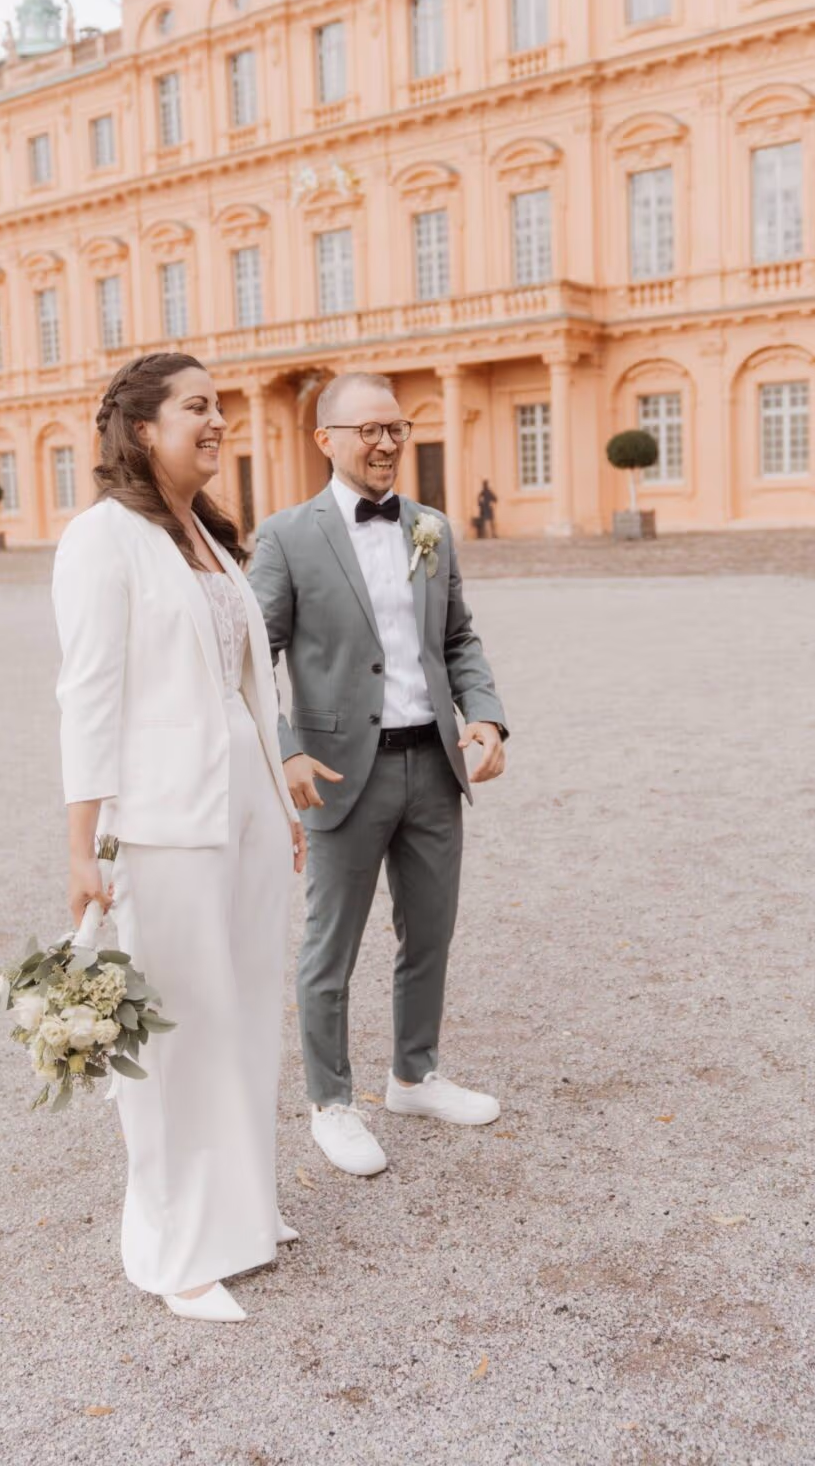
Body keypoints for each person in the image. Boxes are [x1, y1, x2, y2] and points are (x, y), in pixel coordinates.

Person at [52, 352, 306, 1323]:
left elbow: (251, 684)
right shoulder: (100, 539)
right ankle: (171, 1247)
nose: (217, 421)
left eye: (221, 406)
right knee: (171, 1034)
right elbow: (87, 698)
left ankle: (242, 1214)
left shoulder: (206, 534)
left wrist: (278, 806)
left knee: (241, 1013)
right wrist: (82, 846)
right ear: (141, 426)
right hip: (160, 822)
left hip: (240, 808)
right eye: (197, 406)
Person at [249, 372, 508, 1178]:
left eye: (395, 427)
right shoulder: (287, 536)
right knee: (331, 947)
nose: (386, 442)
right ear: (325, 440)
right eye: (367, 429)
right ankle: (330, 1103)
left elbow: (458, 637)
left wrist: (486, 713)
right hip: (336, 772)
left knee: (428, 932)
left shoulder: (430, 526)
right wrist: (284, 747)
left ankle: (414, 1075)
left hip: (432, 764)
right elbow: (253, 657)